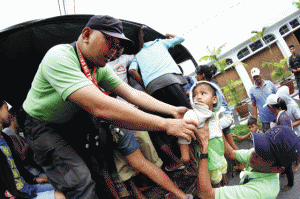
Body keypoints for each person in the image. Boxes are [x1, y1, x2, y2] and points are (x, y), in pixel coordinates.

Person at [22, 15, 197, 198]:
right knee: (79, 181)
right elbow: (100, 107)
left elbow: (131, 94)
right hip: (41, 126)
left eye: (117, 46)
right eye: (109, 41)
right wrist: (166, 124)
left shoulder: (99, 68)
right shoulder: (60, 56)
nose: (114, 51)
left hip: (70, 123)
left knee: (98, 175)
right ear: (86, 34)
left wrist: (172, 110)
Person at [128, 33, 191, 172]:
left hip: (154, 89)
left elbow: (131, 70)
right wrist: (169, 35)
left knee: (176, 123)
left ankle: (188, 160)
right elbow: (180, 38)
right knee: (190, 116)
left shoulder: (137, 55)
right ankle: (201, 151)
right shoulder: (160, 43)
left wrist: (145, 84)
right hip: (171, 80)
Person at [196, 122, 300, 199]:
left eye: (264, 154)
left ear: (278, 169)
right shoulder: (256, 157)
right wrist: (215, 124)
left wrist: (203, 151)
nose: (254, 153)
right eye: (260, 146)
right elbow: (231, 153)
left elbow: (205, 194)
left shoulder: (260, 191)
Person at [0, 99, 65, 199]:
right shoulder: (8, 134)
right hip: (16, 194)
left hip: (26, 188)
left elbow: (17, 166)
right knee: (60, 196)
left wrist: (35, 179)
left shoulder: (5, 138)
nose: (9, 113)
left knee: (64, 188)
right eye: (6, 108)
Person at [178, 81, 227, 187]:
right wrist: (185, 154)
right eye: (194, 95)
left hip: (219, 154)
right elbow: (184, 130)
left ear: (214, 99)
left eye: (203, 93)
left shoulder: (214, 113)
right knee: (215, 183)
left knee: (222, 176)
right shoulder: (193, 114)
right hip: (208, 158)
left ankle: (226, 188)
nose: (198, 97)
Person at [195, 65, 238, 151]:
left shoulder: (210, 87)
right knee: (231, 143)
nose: (196, 77)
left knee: (214, 132)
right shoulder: (211, 84)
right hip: (222, 116)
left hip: (224, 117)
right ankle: (240, 161)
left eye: (197, 75)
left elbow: (213, 104)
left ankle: (240, 161)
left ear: (202, 75)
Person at [264, 93, 295, 191]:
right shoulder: (281, 115)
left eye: (268, 107)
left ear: (271, 107)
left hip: (287, 147)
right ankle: (285, 172)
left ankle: (290, 184)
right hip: (287, 145)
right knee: (286, 165)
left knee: (288, 166)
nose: (269, 109)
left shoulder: (282, 118)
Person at [276, 86, 300, 173]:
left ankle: (298, 164)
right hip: (290, 130)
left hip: (297, 130)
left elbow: (299, 120)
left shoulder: (293, 106)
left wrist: (289, 125)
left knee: (296, 148)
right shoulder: (284, 106)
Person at [249, 67, 277, 132]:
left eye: (257, 76)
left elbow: (277, 96)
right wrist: (255, 120)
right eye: (254, 77)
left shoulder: (269, 83)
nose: (256, 78)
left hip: (276, 115)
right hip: (265, 120)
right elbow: (253, 105)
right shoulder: (252, 90)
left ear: (260, 74)